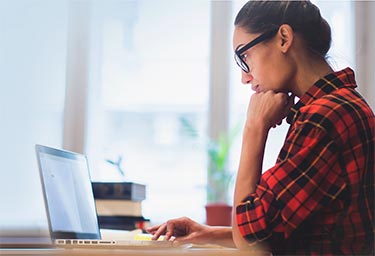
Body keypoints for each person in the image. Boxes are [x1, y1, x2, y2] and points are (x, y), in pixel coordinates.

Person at [146, 1, 375, 255]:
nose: (245, 77)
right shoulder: (338, 106)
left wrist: (255, 128)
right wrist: (207, 233)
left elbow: (251, 242)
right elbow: (281, 231)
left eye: (244, 56)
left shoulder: (325, 117)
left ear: (284, 38)